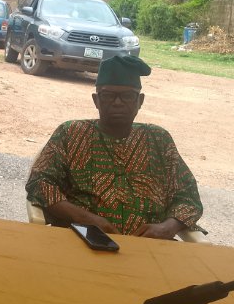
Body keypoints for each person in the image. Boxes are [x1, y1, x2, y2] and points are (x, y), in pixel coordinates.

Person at [25, 55, 204, 239]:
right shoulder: (71, 134)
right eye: (108, 95)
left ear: (140, 101)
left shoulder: (159, 140)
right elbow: (39, 183)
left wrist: (167, 228)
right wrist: (87, 219)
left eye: (127, 96)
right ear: (96, 100)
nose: (117, 102)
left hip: (149, 247)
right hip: (81, 240)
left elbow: (188, 197)